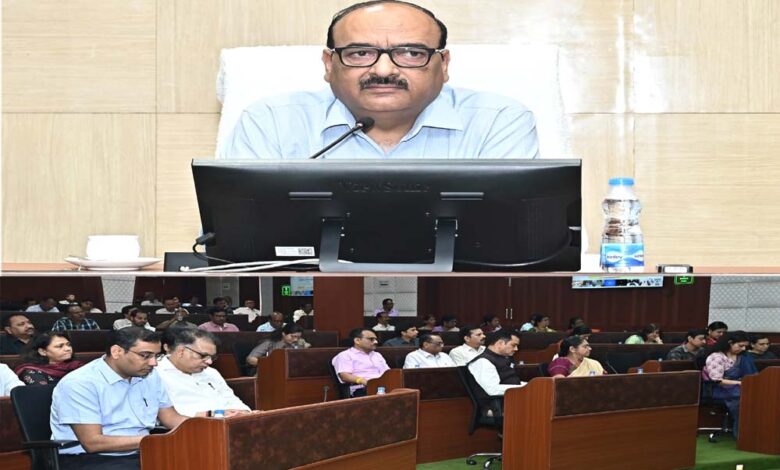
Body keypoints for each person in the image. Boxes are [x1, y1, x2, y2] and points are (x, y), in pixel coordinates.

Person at [227, 0, 539, 160]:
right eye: (361, 53)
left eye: (411, 53)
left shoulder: (497, 121)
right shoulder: (272, 121)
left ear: (443, 65)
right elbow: (242, 232)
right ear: (329, 64)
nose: (384, 70)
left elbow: (513, 232)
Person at [51, 328, 189, 468]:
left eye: (156, 356)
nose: (154, 363)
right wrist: (159, 440)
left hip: (142, 451)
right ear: (116, 351)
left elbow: (170, 417)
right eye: (145, 355)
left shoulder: (150, 375)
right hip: (89, 459)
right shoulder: (80, 383)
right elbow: (93, 443)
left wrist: (201, 427)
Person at [156, 329, 251, 417]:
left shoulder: (211, 372)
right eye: (203, 356)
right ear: (181, 351)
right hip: (193, 426)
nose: (209, 362)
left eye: (212, 357)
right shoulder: (157, 374)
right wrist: (215, 414)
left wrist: (244, 412)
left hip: (230, 422)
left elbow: (231, 399)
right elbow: (171, 416)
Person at [702, 330, 754, 439]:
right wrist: (740, 383)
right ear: (730, 343)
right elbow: (717, 380)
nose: (743, 349)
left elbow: (753, 374)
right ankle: (742, 436)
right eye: (740, 346)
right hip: (720, 390)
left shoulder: (744, 357)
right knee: (744, 400)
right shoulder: (716, 357)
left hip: (742, 387)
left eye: (745, 346)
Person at [332, 328, 390, 397]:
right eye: (371, 339)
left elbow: (387, 372)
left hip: (383, 386)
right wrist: (362, 381)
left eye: (376, 339)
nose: (376, 342)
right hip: (361, 387)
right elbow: (344, 376)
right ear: (357, 340)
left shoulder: (377, 355)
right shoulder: (345, 355)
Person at [467, 329, 526, 397]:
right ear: (500, 343)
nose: (516, 349)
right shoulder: (483, 361)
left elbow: (512, 382)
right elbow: (493, 390)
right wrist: (524, 388)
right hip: (500, 402)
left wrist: (528, 385)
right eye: (513, 345)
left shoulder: (502, 359)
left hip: (512, 398)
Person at [14, 332, 84, 385]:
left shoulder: (77, 366)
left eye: (68, 345)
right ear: (43, 352)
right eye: (60, 346)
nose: (68, 349)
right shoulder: (31, 371)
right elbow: (43, 394)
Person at [246, 324, 310, 366]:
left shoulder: (299, 343)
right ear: (284, 334)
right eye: (293, 336)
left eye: (298, 337)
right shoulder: (270, 343)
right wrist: (269, 364)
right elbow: (250, 359)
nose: (296, 339)